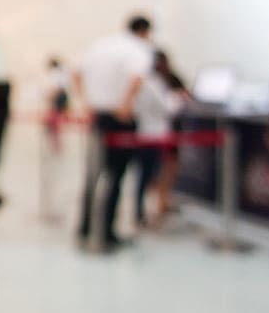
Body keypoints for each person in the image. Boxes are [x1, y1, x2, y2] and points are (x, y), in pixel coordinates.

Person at [74, 15, 153, 251]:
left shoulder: (101, 45)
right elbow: (137, 78)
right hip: (119, 118)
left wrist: (85, 102)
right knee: (115, 176)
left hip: (98, 115)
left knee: (93, 175)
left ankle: (86, 227)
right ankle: (106, 232)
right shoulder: (137, 49)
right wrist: (126, 105)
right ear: (143, 31)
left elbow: (76, 72)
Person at [132, 50, 187, 227]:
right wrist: (178, 99)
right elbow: (167, 107)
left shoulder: (150, 82)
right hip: (152, 135)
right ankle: (142, 210)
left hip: (151, 133)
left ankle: (152, 207)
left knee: (150, 173)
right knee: (149, 174)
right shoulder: (151, 83)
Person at [44, 57, 69, 154]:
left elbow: (56, 88)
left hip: (59, 99)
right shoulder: (62, 72)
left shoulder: (55, 73)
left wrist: (49, 98)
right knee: (56, 123)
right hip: (62, 98)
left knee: (54, 123)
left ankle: (56, 145)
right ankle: (57, 144)